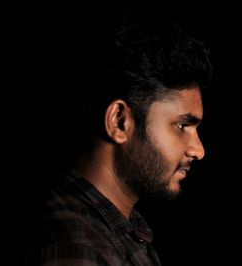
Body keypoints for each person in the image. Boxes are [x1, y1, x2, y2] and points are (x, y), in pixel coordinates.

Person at [21, 9, 212, 265]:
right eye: (181, 126)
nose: (198, 150)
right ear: (119, 122)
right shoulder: (73, 247)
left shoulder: (121, 229)